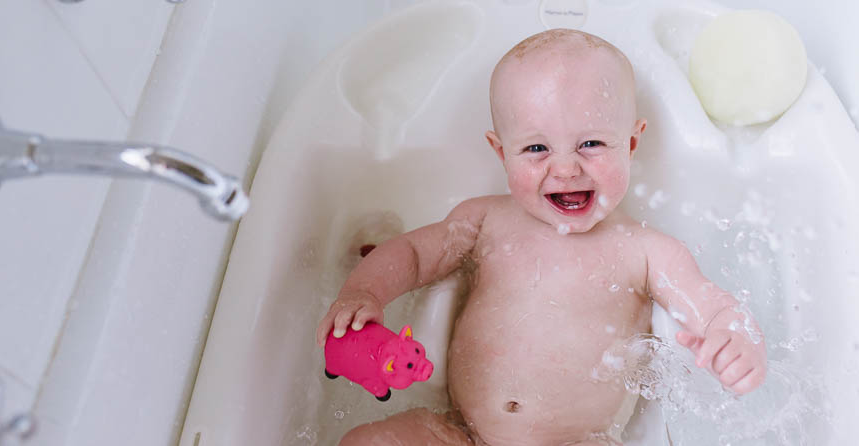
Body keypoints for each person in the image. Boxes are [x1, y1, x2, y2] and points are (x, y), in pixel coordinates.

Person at [315, 29, 767, 445]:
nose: (566, 168)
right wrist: (363, 291)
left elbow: (712, 307)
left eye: (591, 144)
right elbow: (412, 254)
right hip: (460, 433)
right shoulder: (484, 222)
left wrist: (734, 339)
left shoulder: (646, 251)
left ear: (631, 143)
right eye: (536, 148)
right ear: (500, 151)